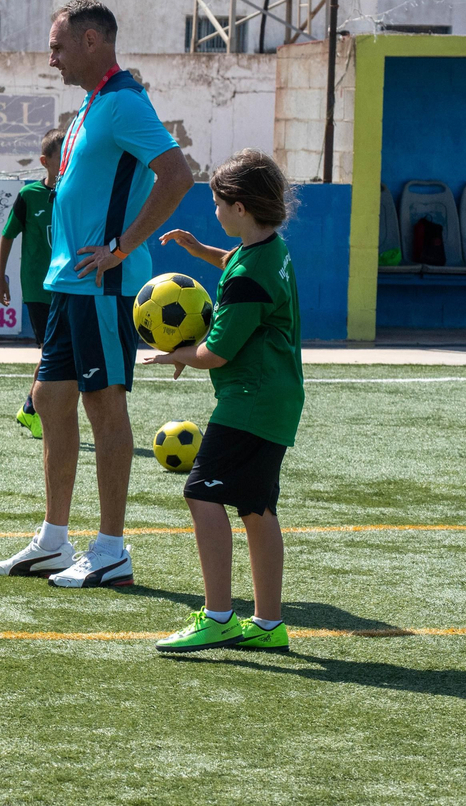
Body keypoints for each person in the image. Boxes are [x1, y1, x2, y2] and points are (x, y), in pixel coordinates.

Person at [0, 0, 194, 587]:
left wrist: (123, 248)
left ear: (90, 40)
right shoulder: (91, 104)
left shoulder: (125, 102)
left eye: (57, 46)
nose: (50, 57)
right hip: (69, 283)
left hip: (104, 285)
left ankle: (110, 549)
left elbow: (177, 175)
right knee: (50, 401)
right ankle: (54, 540)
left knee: (103, 406)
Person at [147, 150, 302, 653]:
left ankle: (217, 617)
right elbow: (236, 263)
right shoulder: (270, 249)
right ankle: (269, 624)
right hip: (276, 398)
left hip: (249, 400)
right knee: (256, 507)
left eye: (217, 203)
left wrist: (177, 353)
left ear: (239, 207)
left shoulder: (247, 275)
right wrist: (200, 251)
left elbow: (215, 353)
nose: (213, 211)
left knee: (201, 493)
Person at [0, 127, 64, 440]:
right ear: (45, 161)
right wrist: (1, 276)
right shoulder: (29, 196)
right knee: (51, 351)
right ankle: (33, 409)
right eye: (61, 157)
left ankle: (31, 408)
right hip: (39, 288)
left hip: (69, 286)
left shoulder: (74, 194)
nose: (67, 163)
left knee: (59, 351)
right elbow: (8, 235)